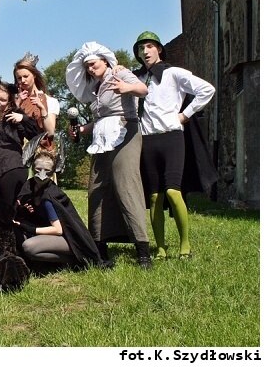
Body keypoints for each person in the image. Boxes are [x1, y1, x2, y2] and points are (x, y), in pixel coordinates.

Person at [66, 41, 152, 269]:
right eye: (87, 66)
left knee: (126, 185)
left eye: (93, 64)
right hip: (101, 139)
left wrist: (126, 87)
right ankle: (99, 248)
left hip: (125, 131)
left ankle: (143, 251)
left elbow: (143, 90)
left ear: (104, 61)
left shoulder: (119, 73)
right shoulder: (96, 87)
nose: (90, 69)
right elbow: (100, 120)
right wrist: (81, 130)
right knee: (97, 189)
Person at [132, 31, 216, 260]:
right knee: (154, 197)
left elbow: (207, 90)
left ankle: (185, 245)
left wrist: (185, 114)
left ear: (159, 49)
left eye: (149, 46)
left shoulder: (174, 73)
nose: (145, 51)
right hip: (147, 140)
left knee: (172, 190)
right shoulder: (136, 79)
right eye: (141, 48)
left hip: (172, 138)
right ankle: (160, 248)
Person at [14, 151, 106, 270]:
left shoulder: (49, 196)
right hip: (52, 236)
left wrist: (30, 228)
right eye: (38, 170)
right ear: (32, 168)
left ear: (53, 172)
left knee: (29, 247)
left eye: (47, 171)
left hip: (69, 239)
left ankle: (75, 261)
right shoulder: (29, 187)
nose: (42, 175)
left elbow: (58, 230)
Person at [0, 77, 40, 210]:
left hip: (11, 169)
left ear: (9, 101)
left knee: (9, 211)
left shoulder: (13, 115)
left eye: (3, 100)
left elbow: (35, 134)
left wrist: (23, 118)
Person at [13, 52, 60, 150]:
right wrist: (16, 104)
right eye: (19, 78)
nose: (23, 80)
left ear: (34, 75)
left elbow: (50, 133)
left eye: (26, 76)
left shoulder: (49, 100)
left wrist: (42, 108)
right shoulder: (14, 101)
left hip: (41, 151)